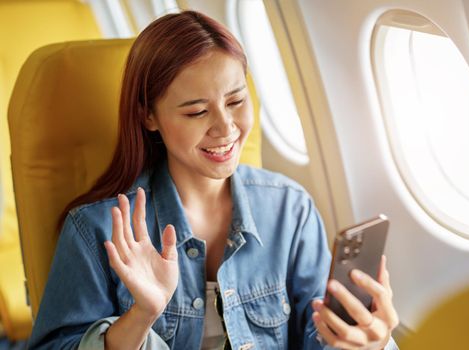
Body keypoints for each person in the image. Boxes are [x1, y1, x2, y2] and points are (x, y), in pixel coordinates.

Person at [28, 10, 399, 350]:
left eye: (236, 101)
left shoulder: (291, 209)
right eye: (197, 111)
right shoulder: (95, 229)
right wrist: (141, 315)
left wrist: (368, 340)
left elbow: (316, 338)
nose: (225, 128)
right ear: (148, 116)